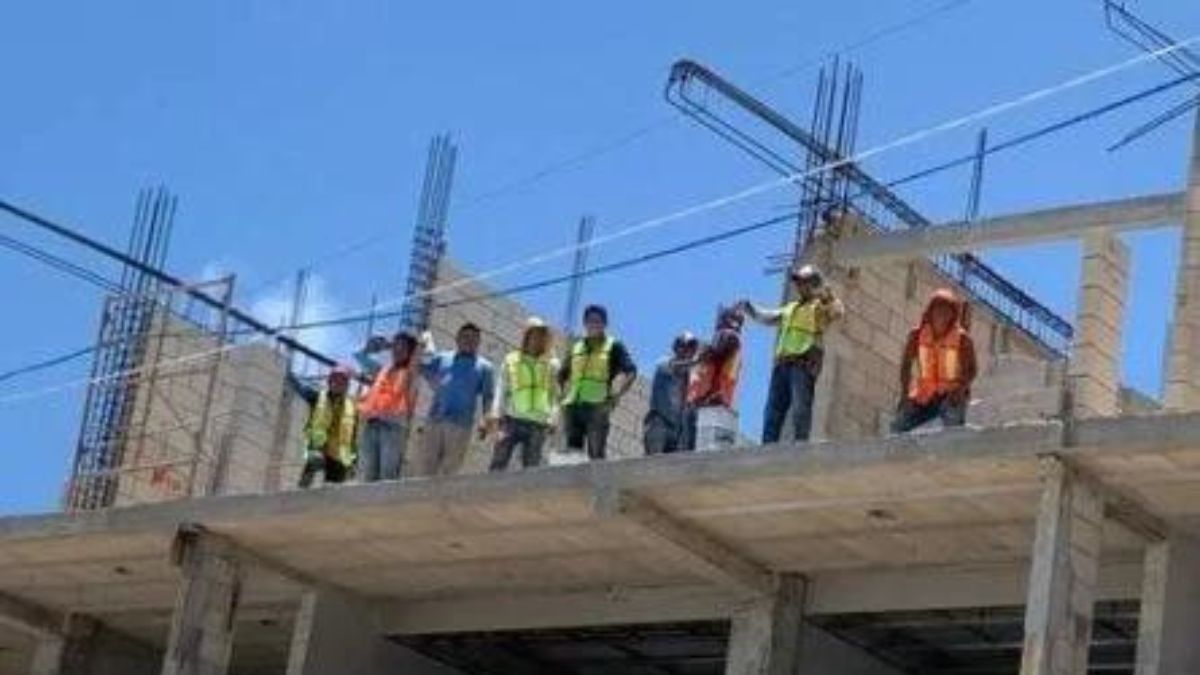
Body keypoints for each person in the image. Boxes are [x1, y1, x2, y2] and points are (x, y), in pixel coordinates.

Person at [741, 265, 843, 444]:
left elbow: (837, 312)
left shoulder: (819, 307)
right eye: (798, 282)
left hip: (803, 363)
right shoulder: (791, 308)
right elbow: (769, 316)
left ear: (813, 284)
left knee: (800, 407)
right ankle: (767, 446)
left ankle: (800, 443)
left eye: (803, 282)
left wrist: (827, 295)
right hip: (783, 363)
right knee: (773, 410)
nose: (799, 286)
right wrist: (751, 309)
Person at [411, 323, 495, 477]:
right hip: (434, 420)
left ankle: (441, 501)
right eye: (465, 337)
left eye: (473, 338)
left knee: (449, 471)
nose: (469, 341)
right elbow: (418, 368)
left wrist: (485, 420)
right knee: (425, 468)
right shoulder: (443, 357)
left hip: (460, 425)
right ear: (457, 338)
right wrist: (420, 346)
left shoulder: (485, 367)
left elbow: (488, 396)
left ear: (478, 342)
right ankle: (422, 500)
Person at [559, 304, 638, 460]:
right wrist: (562, 396)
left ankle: (597, 484)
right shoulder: (576, 346)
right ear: (585, 323)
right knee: (573, 456)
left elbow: (631, 371)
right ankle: (576, 485)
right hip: (574, 406)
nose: (593, 324)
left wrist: (617, 395)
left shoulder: (614, 346)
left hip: (597, 406)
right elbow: (561, 375)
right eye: (590, 321)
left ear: (604, 324)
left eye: (598, 321)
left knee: (596, 454)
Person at [892, 289, 978, 433]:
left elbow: (972, 369)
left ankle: (952, 448)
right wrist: (904, 394)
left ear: (953, 315)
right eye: (938, 310)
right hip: (924, 393)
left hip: (951, 393)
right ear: (930, 312)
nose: (942, 315)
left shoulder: (963, 339)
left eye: (947, 311)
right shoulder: (916, 335)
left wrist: (960, 390)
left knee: (952, 423)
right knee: (898, 424)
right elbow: (906, 365)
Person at [487, 317, 560, 472]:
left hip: (538, 423)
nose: (538, 338)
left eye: (542, 335)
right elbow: (502, 387)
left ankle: (527, 496)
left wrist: (554, 417)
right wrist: (495, 414)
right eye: (534, 334)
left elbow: (556, 394)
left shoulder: (552, 364)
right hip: (511, 419)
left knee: (531, 467)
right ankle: (491, 494)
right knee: (498, 461)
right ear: (527, 335)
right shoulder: (511, 359)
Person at [355, 331, 420, 481]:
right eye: (395, 347)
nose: (397, 350)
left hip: (393, 428)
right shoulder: (381, 370)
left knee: (387, 475)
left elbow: (424, 352)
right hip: (372, 425)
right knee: (367, 474)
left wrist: (393, 344)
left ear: (411, 352)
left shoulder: (412, 372)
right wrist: (373, 347)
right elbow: (359, 356)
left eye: (403, 347)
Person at [685, 306, 745, 450]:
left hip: (711, 398)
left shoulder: (727, 335)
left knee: (693, 444)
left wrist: (700, 352)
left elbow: (715, 351)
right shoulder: (733, 341)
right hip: (715, 397)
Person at [293, 366, 358, 488]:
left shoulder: (352, 408)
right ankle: (300, 494)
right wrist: (289, 376)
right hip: (319, 448)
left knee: (334, 488)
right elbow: (300, 388)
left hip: (339, 454)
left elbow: (353, 437)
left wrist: (353, 461)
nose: (339, 384)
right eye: (336, 380)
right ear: (329, 382)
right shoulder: (318, 397)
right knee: (312, 464)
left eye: (343, 381)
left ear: (347, 386)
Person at [643, 332, 699, 455]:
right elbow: (675, 367)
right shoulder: (665, 363)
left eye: (691, 348)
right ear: (676, 348)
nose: (687, 351)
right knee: (653, 464)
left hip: (678, 432)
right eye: (683, 346)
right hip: (660, 423)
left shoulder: (690, 379)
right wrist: (698, 361)